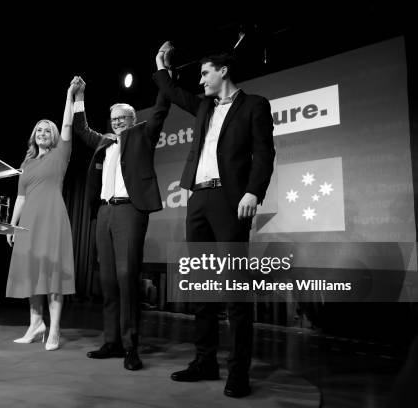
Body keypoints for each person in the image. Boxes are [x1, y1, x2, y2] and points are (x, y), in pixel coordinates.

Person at [153, 42, 275, 398]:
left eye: (205, 73)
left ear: (223, 70)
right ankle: (205, 361)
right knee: (202, 287)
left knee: (235, 291)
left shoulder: (254, 105)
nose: (201, 80)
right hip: (199, 199)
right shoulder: (204, 105)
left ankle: (239, 372)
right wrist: (161, 66)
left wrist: (253, 191)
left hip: (230, 199)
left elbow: (264, 153)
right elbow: (172, 91)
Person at [72, 75, 170, 370]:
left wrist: (163, 74)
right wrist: (79, 97)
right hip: (104, 213)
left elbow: (161, 110)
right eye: (113, 119)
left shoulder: (142, 134)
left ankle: (131, 346)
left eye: (122, 118)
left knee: (127, 278)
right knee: (108, 281)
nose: (116, 123)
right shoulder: (104, 142)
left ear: (132, 118)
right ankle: (112, 341)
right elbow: (80, 128)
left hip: (130, 211)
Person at [5, 77, 81, 351]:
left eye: (47, 130)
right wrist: (12, 226)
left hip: (52, 220)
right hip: (28, 223)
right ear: (33, 135)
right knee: (32, 272)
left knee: (51, 275)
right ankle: (36, 325)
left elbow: (69, 124)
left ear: (54, 135)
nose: (43, 132)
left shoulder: (61, 154)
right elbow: (21, 196)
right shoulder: (26, 162)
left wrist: (70, 96)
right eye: (39, 130)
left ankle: (55, 330)